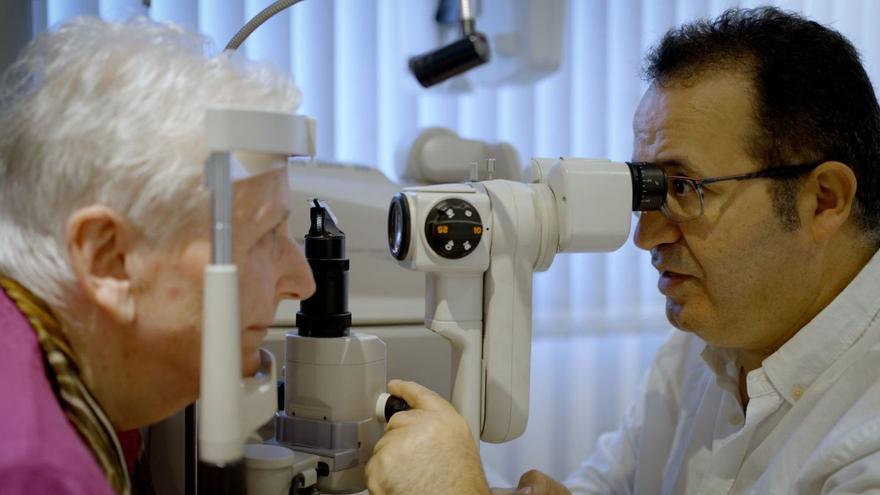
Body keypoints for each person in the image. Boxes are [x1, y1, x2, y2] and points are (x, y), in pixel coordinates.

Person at [365, 7, 880, 495]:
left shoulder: (866, 434)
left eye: (684, 188)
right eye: (646, 191)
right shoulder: (703, 350)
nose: (647, 235)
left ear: (824, 200)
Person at [0, 17, 315, 494]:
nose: (302, 281)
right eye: (265, 236)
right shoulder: (35, 472)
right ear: (109, 259)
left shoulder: (91, 391)